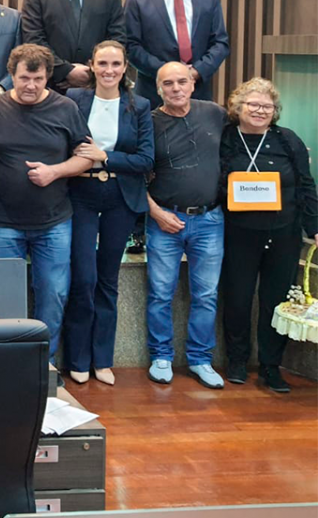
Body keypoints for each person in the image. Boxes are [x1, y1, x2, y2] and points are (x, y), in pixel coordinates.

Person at [0, 44, 92, 375]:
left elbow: (87, 156)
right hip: (2, 222)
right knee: (1, 298)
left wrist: (55, 171)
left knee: (53, 295)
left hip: (54, 223)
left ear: (48, 77)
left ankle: (43, 364)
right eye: (24, 78)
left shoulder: (66, 107)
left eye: (38, 79)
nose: (30, 86)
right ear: (11, 75)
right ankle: (4, 366)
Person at [61, 41, 154, 386]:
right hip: (81, 195)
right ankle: (78, 358)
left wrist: (105, 157)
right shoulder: (74, 98)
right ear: (92, 65)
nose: (109, 70)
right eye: (103, 63)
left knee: (108, 281)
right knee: (83, 278)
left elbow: (146, 159)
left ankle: (102, 359)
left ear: (125, 66)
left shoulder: (139, 105)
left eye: (116, 63)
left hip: (120, 197)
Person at [219, 78, 317, 393]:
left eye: (268, 106)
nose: (261, 111)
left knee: (276, 300)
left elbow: (306, 183)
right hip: (238, 233)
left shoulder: (287, 139)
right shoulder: (225, 137)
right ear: (238, 107)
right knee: (237, 298)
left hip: (284, 233)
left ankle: (271, 366)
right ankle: (237, 360)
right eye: (254, 104)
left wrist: (314, 227)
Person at [144, 62, 227, 389]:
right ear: (158, 89)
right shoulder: (149, 122)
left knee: (206, 295)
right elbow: (134, 175)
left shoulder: (214, 114)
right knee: (160, 293)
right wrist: (155, 213)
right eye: (168, 83)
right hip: (164, 220)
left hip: (210, 220)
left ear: (193, 84)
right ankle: (161, 356)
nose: (176, 88)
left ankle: (200, 359)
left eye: (182, 81)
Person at [125, 0, 231, 106]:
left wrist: (196, 71)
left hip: (198, 91)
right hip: (153, 92)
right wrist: (169, 73)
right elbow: (131, 47)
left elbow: (220, 43)